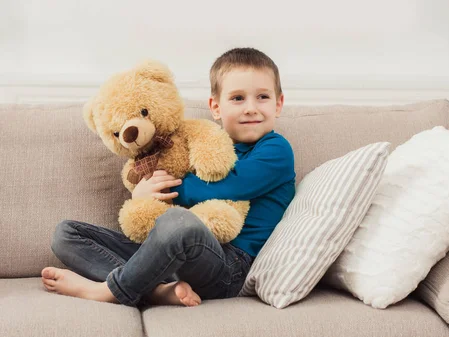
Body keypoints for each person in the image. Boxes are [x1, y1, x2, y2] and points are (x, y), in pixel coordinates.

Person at [40, 47, 296, 307]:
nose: (251, 108)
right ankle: (157, 289)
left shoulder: (276, 149)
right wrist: (141, 192)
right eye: (238, 98)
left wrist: (168, 188)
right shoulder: (195, 143)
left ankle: (111, 290)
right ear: (216, 107)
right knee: (67, 234)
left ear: (278, 104)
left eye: (262, 97)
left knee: (178, 222)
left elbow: (233, 185)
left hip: (230, 266)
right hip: (174, 255)